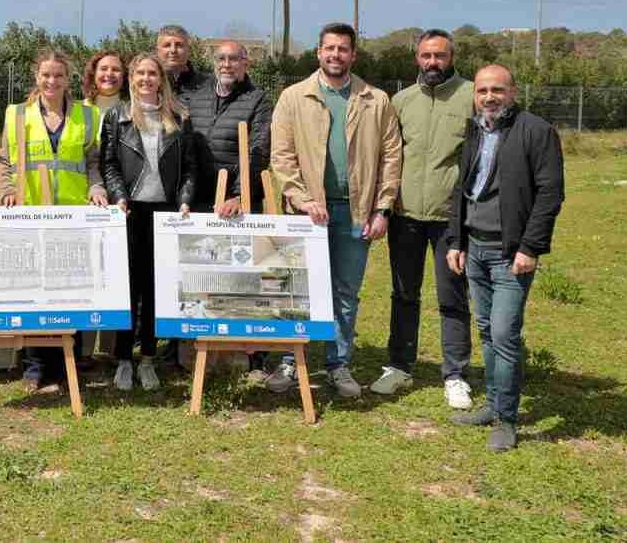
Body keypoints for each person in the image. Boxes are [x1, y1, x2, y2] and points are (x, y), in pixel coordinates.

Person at [268, 23, 402, 398]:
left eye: (343, 49)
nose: (335, 55)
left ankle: (338, 364)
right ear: (319, 52)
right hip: (305, 215)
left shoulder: (376, 100)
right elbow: (282, 156)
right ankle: (290, 361)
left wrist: (383, 208)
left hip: (355, 213)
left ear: (353, 55)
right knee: (296, 289)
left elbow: (392, 157)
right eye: (329, 48)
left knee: (345, 293)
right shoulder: (294, 97)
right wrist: (301, 198)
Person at [447, 64, 564, 451]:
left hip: (510, 254)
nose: (489, 97)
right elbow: (461, 188)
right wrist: (456, 240)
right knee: (486, 330)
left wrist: (530, 247)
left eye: (497, 90)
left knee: (503, 335)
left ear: (513, 92)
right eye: (482, 91)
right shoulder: (475, 129)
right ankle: (494, 405)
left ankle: (506, 420)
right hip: (475, 248)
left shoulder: (536, 131)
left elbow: (550, 194)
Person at [370, 29, 476, 409]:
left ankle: (455, 374)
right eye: (427, 55)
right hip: (405, 215)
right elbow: (388, 155)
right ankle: (399, 366)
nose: (433, 62)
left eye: (440, 55)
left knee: (453, 296)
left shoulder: (471, 96)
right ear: (417, 58)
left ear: (451, 58)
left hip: (451, 217)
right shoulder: (401, 101)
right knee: (403, 293)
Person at [0, 49, 109, 391]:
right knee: (34, 292)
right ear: (36, 76)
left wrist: (96, 187)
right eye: (46, 75)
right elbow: (6, 161)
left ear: (68, 78)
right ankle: (34, 367)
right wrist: (7, 190)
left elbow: (93, 162)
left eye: (58, 75)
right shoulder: (17, 114)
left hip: (74, 216)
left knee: (71, 292)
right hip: (32, 214)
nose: (52, 81)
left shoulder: (87, 115)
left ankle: (66, 366)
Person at [101, 53, 196, 391]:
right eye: (140, 73)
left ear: (161, 79)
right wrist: (118, 195)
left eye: (152, 73)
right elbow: (109, 163)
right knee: (128, 288)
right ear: (131, 78)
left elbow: (189, 167)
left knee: (157, 288)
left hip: (166, 214)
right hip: (129, 212)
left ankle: (148, 359)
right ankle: (124, 359)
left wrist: (185, 199)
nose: (146, 79)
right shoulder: (118, 115)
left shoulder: (179, 116)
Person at [184, 39, 270, 217]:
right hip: (197, 200)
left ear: (245, 63)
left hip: (235, 203)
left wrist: (239, 195)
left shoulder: (258, 100)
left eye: (233, 59)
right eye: (221, 59)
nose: (226, 64)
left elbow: (258, 151)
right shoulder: (197, 98)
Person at [80, 49, 126, 362]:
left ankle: (109, 349)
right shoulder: (79, 110)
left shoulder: (130, 109)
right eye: (103, 69)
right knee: (88, 272)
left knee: (114, 272)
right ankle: (84, 349)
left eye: (115, 70)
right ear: (93, 74)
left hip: (120, 196)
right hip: (86, 196)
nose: (109, 75)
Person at [156, 25, 207, 103]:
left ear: (189, 50)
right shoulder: (147, 85)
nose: (173, 50)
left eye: (179, 45)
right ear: (157, 51)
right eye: (167, 45)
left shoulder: (209, 85)